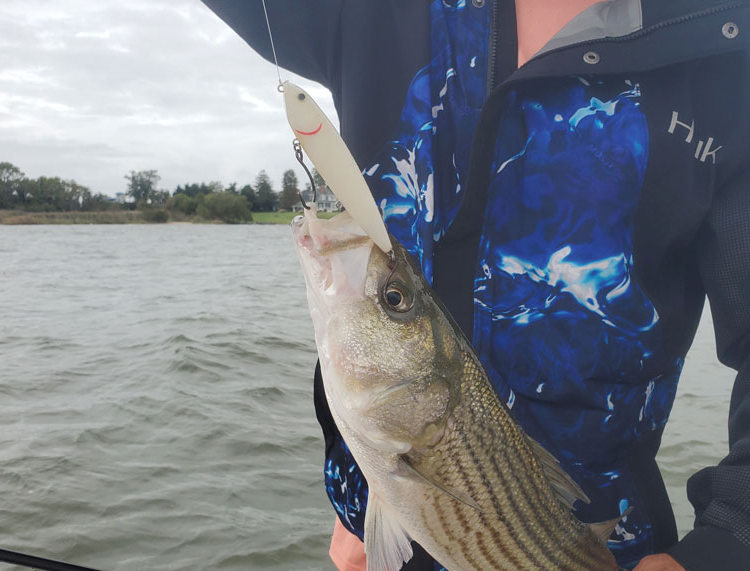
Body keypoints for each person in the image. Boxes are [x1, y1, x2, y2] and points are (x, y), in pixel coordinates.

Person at [203, 1, 750, 569]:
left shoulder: (727, 52)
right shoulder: (373, 14)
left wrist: (726, 543)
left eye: (394, 299)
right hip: (380, 530)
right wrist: (364, 494)